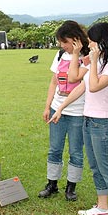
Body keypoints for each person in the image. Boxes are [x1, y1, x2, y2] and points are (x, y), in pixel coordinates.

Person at [48, 22, 108, 215]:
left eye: (93, 41)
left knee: (107, 168)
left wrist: (92, 62)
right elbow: (78, 84)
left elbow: (93, 86)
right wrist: (59, 108)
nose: (90, 44)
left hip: (103, 123)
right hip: (88, 119)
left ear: (102, 41)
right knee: (95, 167)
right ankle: (102, 206)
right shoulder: (99, 59)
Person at [39, 20, 90, 201]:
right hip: (56, 109)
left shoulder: (89, 56)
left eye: (65, 42)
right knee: (54, 149)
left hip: (78, 112)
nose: (62, 45)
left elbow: (76, 79)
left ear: (76, 39)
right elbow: (54, 81)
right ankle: (52, 184)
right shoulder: (60, 54)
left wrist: (76, 53)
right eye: (61, 42)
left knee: (76, 151)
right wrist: (48, 106)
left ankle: (71, 187)